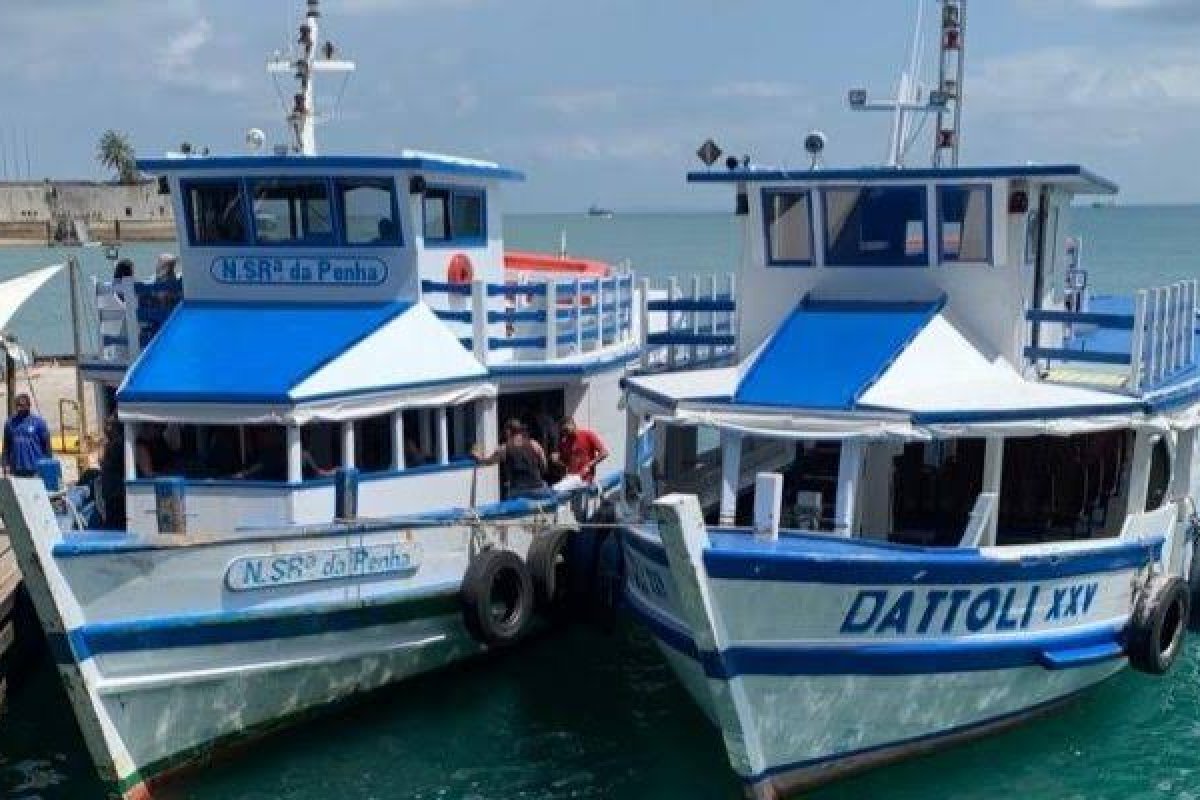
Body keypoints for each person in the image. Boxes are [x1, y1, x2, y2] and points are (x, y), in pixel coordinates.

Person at [472, 419, 549, 500]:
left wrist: (477, 456)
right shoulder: (534, 444)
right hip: (538, 487)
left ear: (508, 431)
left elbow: (487, 462)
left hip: (518, 491)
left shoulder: (504, 448)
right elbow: (544, 465)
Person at [3, 393, 52, 477]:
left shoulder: (39, 422)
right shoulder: (10, 423)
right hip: (16, 469)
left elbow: (47, 446)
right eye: (18, 405)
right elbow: (6, 446)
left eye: (22, 405)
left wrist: (47, 466)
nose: (20, 408)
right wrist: (5, 464)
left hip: (35, 469)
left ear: (29, 405)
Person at [553, 416, 609, 484]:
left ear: (573, 425)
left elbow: (604, 453)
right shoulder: (564, 442)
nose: (565, 433)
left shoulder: (587, 435)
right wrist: (557, 460)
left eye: (566, 430)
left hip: (586, 478)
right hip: (571, 478)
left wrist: (589, 465)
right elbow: (566, 463)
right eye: (563, 431)